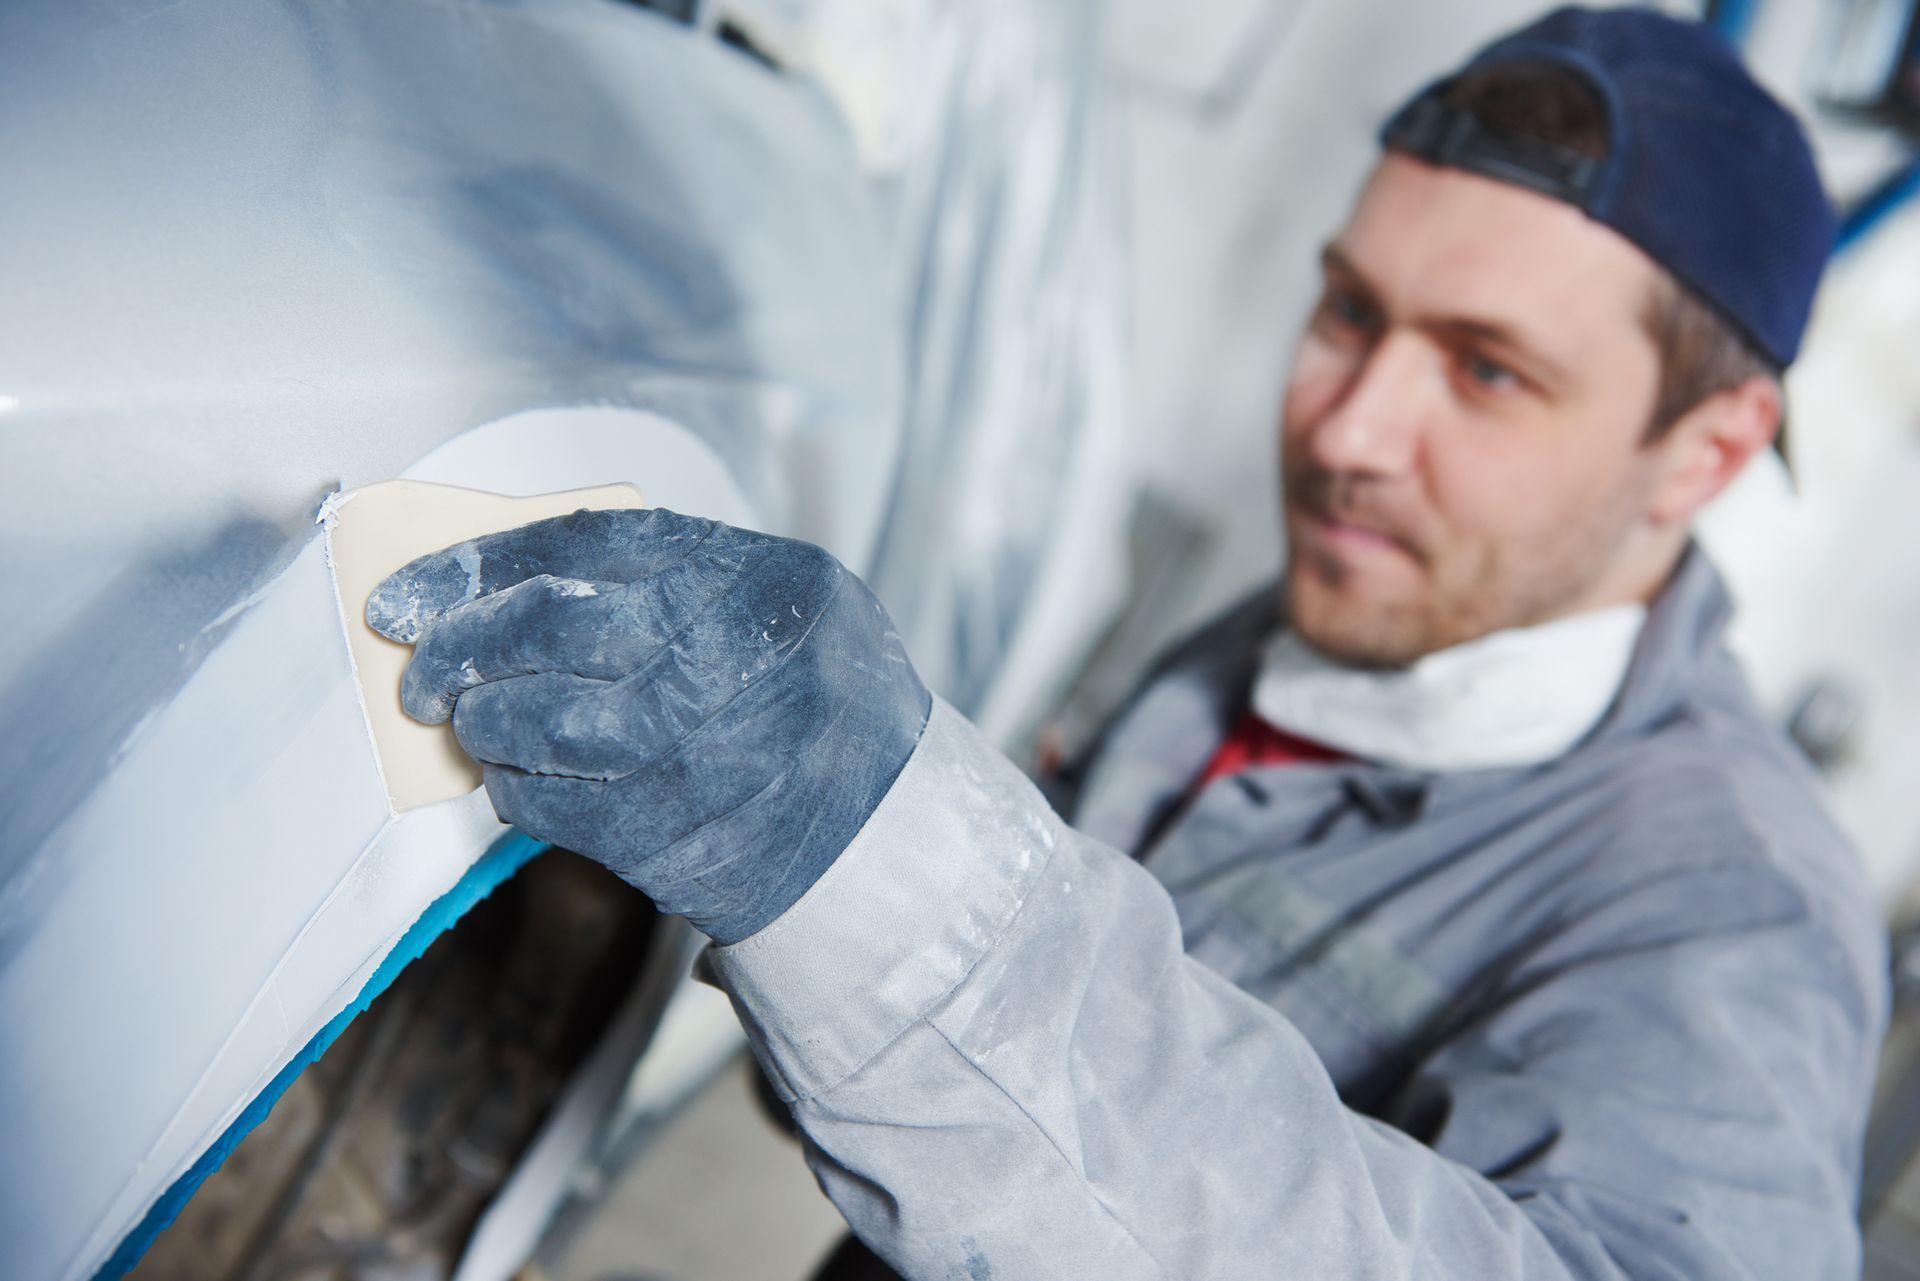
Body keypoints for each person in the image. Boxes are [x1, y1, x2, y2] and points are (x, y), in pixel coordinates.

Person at [366, 7, 1888, 1278]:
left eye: (1488, 372)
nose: (1350, 427)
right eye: (1350, 312)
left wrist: (882, 880)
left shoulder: (1735, 919)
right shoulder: (1309, 644)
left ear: (1705, 451)